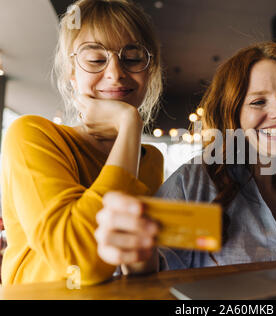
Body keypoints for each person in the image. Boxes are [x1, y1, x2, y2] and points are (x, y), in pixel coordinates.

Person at [95, 41, 276, 274]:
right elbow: (152, 270)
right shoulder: (193, 183)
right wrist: (137, 252)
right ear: (232, 114)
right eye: (258, 102)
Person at [0, 0, 164, 285]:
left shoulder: (151, 158)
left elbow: (135, 261)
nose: (115, 73)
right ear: (72, 74)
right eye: (96, 59)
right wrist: (128, 125)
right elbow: (79, 261)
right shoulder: (31, 135)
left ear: (150, 70)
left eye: (133, 57)